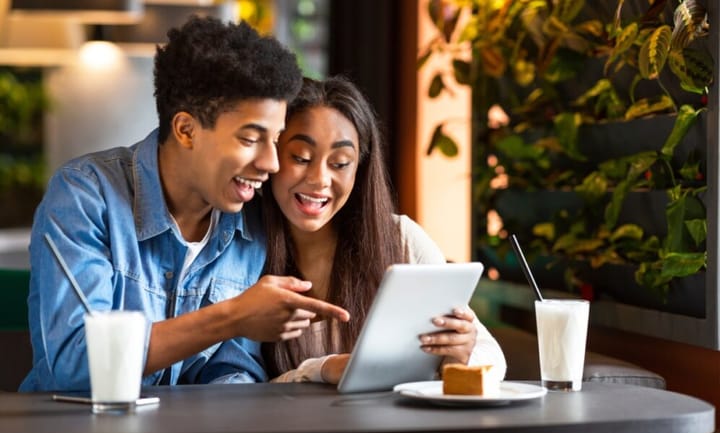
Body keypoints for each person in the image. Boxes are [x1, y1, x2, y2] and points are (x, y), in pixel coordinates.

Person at [19, 16, 350, 392]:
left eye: (274, 140)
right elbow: (73, 366)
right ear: (186, 130)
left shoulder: (248, 223)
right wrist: (232, 317)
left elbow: (230, 374)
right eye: (250, 138)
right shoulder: (84, 197)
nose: (271, 163)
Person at [261, 76, 506, 383]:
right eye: (301, 158)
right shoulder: (241, 249)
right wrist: (320, 370)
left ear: (359, 169)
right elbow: (232, 392)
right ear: (270, 155)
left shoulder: (400, 239)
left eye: (340, 163)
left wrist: (463, 351)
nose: (319, 179)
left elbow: (491, 358)